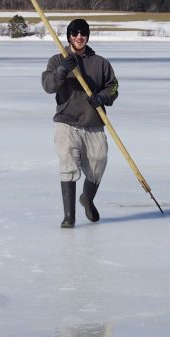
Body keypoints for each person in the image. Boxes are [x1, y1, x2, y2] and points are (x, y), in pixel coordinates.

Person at [41, 18, 118, 227]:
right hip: (67, 122)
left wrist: (102, 97)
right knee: (67, 163)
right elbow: (47, 85)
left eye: (83, 33)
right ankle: (69, 217)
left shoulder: (100, 63)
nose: (79, 37)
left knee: (98, 162)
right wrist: (61, 71)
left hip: (93, 122)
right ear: (68, 36)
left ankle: (87, 199)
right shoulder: (58, 59)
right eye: (74, 33)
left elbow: (113, 86)